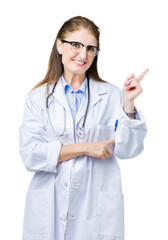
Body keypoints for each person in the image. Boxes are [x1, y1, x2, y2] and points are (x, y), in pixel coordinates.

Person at [19, 16, 148, 240]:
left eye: (90, 48)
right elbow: (31, 155)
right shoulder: (38, 98)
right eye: (76, 45)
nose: (83, 54)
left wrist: (128, 104)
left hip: (95, 210)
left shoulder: (111, 95)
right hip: (50, 206)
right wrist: (85, 148)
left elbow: (129, 150)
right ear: (60, 45)